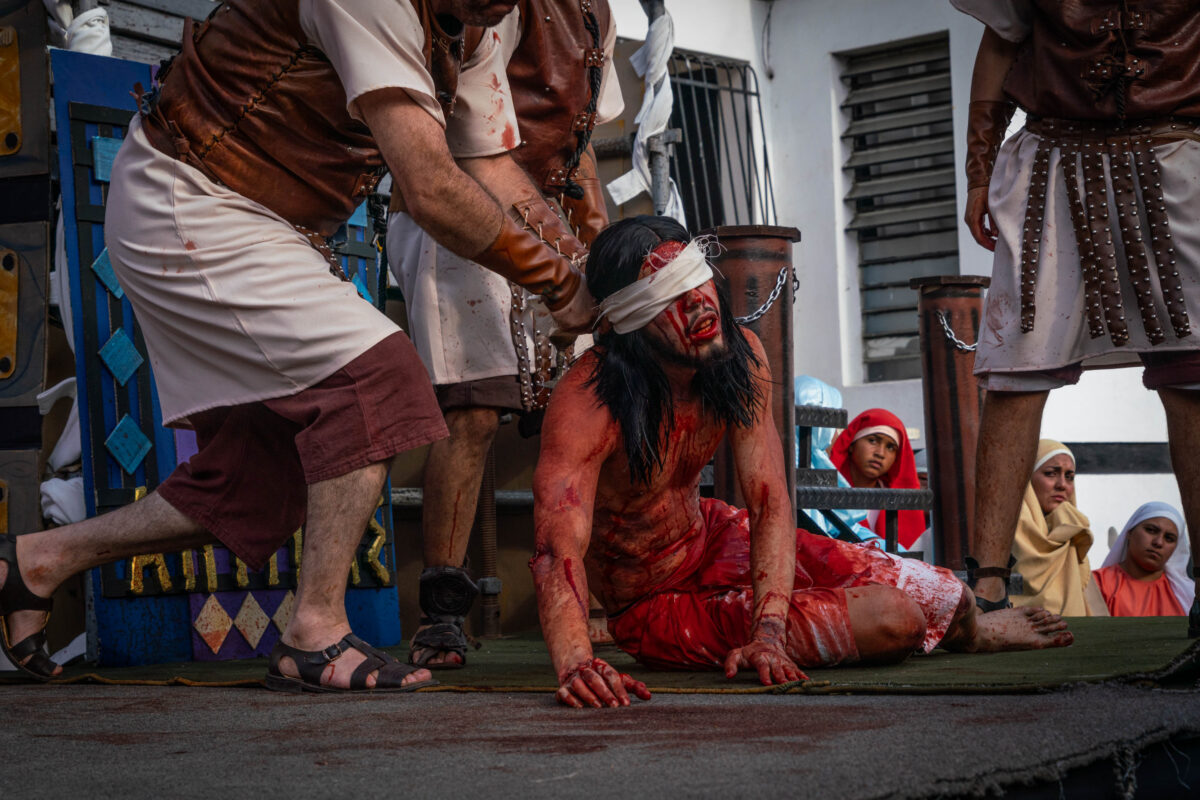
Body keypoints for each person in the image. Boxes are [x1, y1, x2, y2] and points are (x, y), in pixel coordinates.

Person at [0, 0, 594, 689]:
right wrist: (556, 283)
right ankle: (314, 632)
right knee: (378, 382)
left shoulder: (472, 21)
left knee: (258, 481)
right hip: (192, 200)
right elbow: (430, 188)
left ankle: (38, 561)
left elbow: (487, 165)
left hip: (267, 227)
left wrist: (587, 267)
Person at [529, 216, 1074, 709]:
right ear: (630, 320)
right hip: (654, 605)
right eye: (667, 294)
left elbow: (767, 500)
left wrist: (769, 629)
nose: (699, 303)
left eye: (697, 279)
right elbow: (558, 546)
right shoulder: (591, 398)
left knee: (949, 599)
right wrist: (577, 661)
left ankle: (975, 633)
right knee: (896, 620)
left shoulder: (737, 356)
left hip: (716, 539)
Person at [951, 0, 1200, 635]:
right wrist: (979, 170)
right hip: (1053, 164)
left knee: (1194, 377)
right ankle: (985, 594)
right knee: (1014, 371)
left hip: (1179, 156)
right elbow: (1003, 41)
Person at [387, 0, 622, 668]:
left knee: (591, 403)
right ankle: (440, 616)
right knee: (476, 410)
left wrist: (596, 241)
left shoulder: (598, 14)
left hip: (541, 212)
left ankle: (595, 595)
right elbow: (470, 143)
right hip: (455, 204)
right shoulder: (499, 5)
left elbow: (576, 151)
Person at [1009, 440, 1093, 615]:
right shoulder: (1007, 533)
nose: (1062, 485)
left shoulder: (1073, 531)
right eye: (1050, 474)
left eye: (1069, 477)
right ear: (1027, 478)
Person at [829, 409, 928, 553]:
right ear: (851, 444)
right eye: (873, 440)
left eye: (890, 447)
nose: (880, 453)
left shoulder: (901, 504)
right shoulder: (829, 492)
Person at [1092, 502, 1194, 617]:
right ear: (1129, 532)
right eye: (1151, 530)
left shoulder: (1189, 596)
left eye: (1169, 538)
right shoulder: (1095, 584)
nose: (1159, 542)